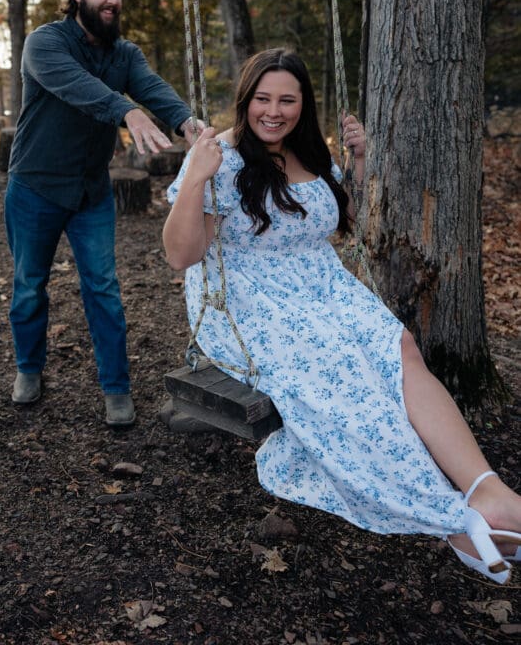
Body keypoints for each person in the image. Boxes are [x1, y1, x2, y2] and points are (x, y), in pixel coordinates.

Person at [162, 47, 521, 583]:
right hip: (248, 298)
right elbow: (182, 256)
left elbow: (335, 220)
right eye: (263, 99)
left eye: (287, 99)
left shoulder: (309, 150)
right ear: (246, 100)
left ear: (303, 104)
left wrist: (357, 165)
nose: (274, 111)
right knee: (344, 373)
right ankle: (448, 519)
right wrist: (194, 178)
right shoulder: (223, 157)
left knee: (399, 345)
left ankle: (488, 492)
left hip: (321, 284)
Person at [5, 0, 199, 427]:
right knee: (30, 286)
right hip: (34, 188)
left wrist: (186, 122)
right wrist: (126, 112)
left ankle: (116, 387)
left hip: (91, 192)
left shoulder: (125, 54)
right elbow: (75, 86)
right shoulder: (45, 43)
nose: (112, 1)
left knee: (104, 289)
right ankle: (29, 368)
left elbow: (151, 88)